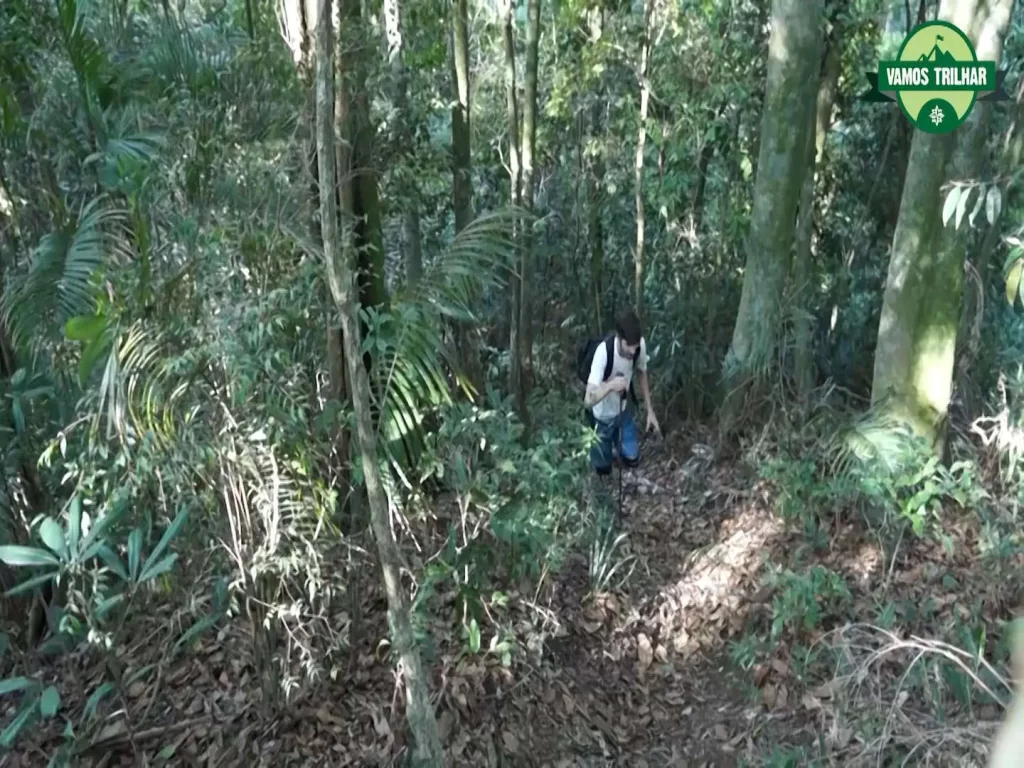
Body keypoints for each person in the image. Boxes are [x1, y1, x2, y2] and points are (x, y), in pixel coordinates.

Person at [584, 309, 661, 476]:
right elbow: (588, 400)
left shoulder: (638, 345)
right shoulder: (603, 353)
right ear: (619, 338)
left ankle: (617, 445)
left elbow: (642, 371)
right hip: (602, 418)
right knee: (603, 470)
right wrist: (610, 385)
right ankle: (607, 447)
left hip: (623, 412)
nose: (633, 352)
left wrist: (650, 411)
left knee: (632, 459)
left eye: (636, 347)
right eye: (629, 346)